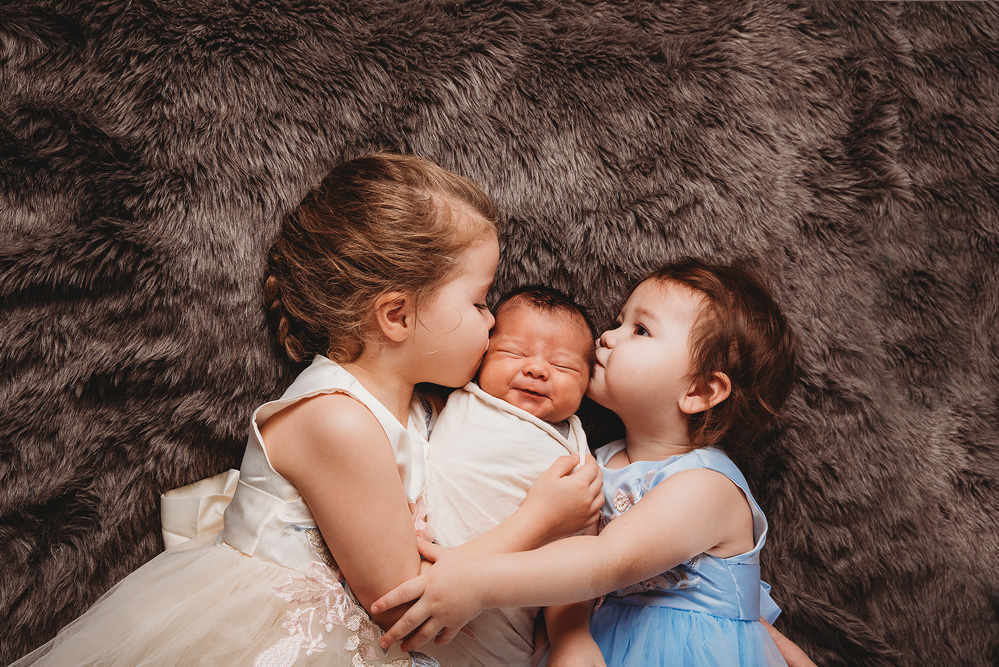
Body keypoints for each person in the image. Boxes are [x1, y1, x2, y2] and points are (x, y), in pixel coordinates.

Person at [11, 153, 601, 667]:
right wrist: (540, 521)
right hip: (281, 639)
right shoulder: (336, 419)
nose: (495, 321)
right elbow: (408, 601)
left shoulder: (423, 405)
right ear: (395, 317)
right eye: (478, 301)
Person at [371, 259, 810, 666]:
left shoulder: (706, 485)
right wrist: (568, 633)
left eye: (639, 330)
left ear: (698, 391)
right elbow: (562, 564)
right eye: (619, 320)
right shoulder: (591, 461)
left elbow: (607, 561)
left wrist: (476, 582)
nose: (607, 335)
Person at [423, 286, 597, 666]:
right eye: (513, 353)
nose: (536, 369)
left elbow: (576, 554)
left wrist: (572, 633)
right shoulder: (455, 397)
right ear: (481, 357)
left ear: (588, 386)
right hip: (415, 580)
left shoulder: (579, 456)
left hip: (500, 632)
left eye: (564, 366)